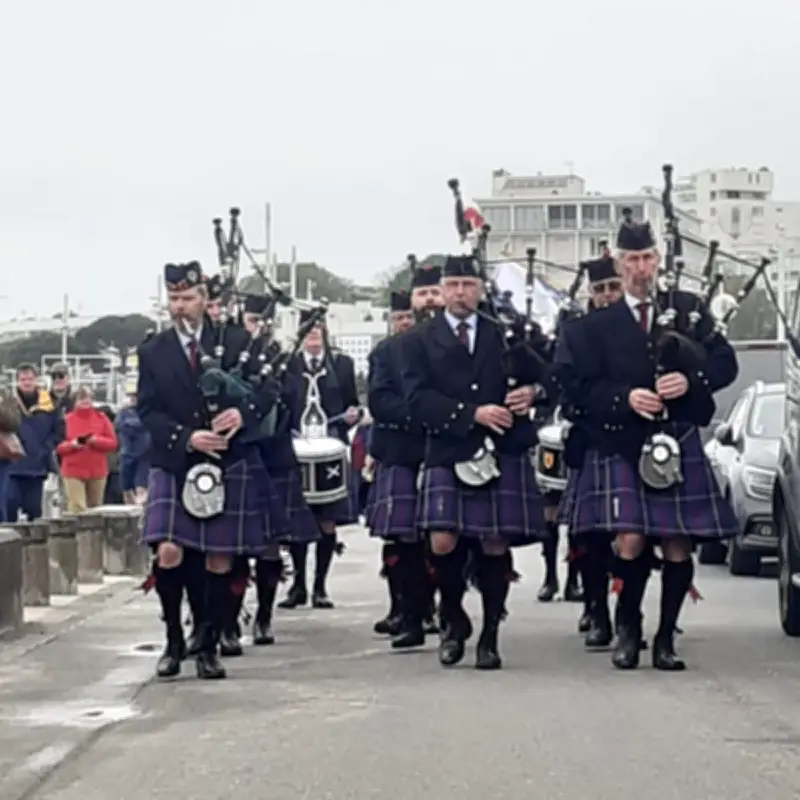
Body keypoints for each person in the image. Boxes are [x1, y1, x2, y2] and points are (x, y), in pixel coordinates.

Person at [556, 211, 739, 671]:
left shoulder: (689, 308)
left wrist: (690, 380)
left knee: (677, 544)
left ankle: (665, 639)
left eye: (647, 257)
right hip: (622, 442)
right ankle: (628, 627)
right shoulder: (596, 325)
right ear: (618, 264)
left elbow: (725, 365)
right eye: (631, 258)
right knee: (631, 541)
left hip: (675, 438)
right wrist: (624, 397)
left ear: (658, 259)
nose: (640, 267)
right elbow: (577, 386)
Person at [399, 254, 551, 670]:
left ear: (479, 289)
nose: (461, 293)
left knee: (494, 541)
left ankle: (490, 635)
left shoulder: (505, 334)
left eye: (468, 284)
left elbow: (554, 376)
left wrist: (534, 392)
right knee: (442, 541)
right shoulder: (419, 340)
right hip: (448, 447)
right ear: (442, 291)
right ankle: (454, 617)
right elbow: (416, 400)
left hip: (500, 449)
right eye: (454, 285)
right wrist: (472, 414)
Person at [138, 261, 283, 681]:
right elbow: (147, 409)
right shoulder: (153, 350)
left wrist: (243, 413)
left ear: (205, 299)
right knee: (169, 551)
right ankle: (172, 640)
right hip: (176, 459)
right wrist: (186, 437)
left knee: (220, 558)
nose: (179, 306)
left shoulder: (236, 340)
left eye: (186, 298)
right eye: (174, 298)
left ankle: (208, 641)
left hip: (227, 458)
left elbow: (268, 389)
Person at [554, 250, 624, 648]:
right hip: (592, 440)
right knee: (592, 537)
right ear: (591, 294)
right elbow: (564, 381)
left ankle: (628, 610)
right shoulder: (576, 331)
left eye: (614, 286)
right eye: (600, 289)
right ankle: (597, 611)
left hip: (635, 442)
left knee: (636, 538)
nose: (608, 295)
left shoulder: (640, 326)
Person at [277, 311, 360, 610]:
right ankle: (298, 585)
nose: (313, 335)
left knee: (326, 521)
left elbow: (353, 404)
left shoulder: (341, 364)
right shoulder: (287, 366)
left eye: (317, 330)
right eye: (307, 331)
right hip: (296, 450)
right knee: (298, 521)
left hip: (331, 453)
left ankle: (320, 587)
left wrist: (352, 416)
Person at [367, 287, 428, 646]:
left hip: (439, 447)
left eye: (408, 315)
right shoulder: (384, 353)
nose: (404, 322)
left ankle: (434, 611)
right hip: (399, 449)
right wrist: (420, 413)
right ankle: (406, 612)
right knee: (402, 536)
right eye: (399, 317)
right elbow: (379, 400)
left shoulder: (438, 346)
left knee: (439, 537)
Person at [7, 364, 60, 522]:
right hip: (12, 466)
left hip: (37, 466)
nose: (27, 382)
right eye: (23, 379)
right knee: (9, 506)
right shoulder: (8, 403)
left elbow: (58, 430)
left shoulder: (49, 404)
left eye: (30, 379)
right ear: (17, 381)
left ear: (36, 380)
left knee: (34, 511)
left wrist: (46, 449)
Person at [56, 386, 118, 513]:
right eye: (81, 398)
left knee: (95, 509)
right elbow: (57, 446)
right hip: (72, 471)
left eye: (88, 398)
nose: (85, 401)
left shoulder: (102, 418)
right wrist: (72, 445)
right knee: (77, 508)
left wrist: (96, 440)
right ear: (74, 401)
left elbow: (113, 444)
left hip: (97, 471)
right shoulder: (66, 420)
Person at [116, 391, 151, 504]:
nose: (133, 399)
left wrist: (134, 424)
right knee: (127, 490)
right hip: (126, 455)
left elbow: (146, 424)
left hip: (144, 455)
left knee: (142, 489)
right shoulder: (123, 412)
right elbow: (120, 426)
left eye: (136, 396)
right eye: (131, 396)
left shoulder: (147, 411)